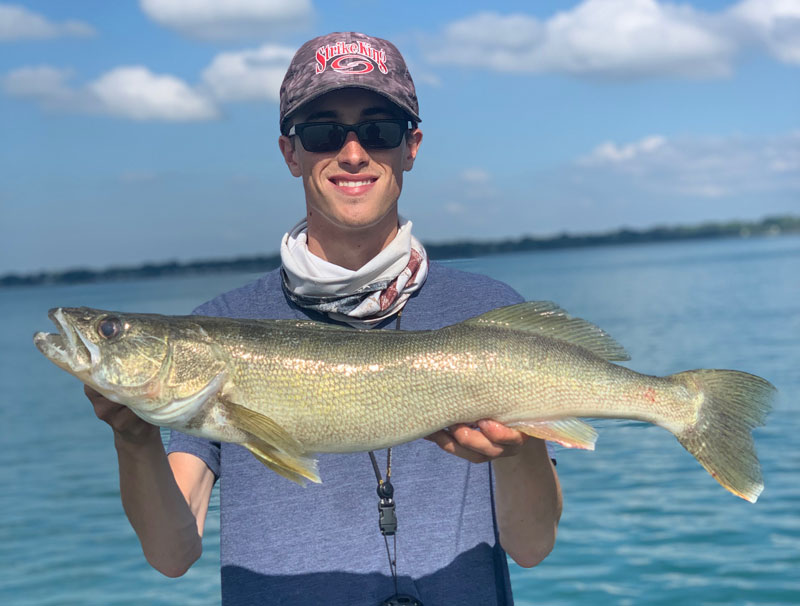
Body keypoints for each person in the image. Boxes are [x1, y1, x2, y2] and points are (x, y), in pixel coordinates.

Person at [85, 32, 561, 605]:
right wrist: (133, 438)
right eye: (323, 132)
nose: (354, 153)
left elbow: (532, 546)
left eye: (380, 130)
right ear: (291, 153)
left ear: (411, 147)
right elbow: (171, 554)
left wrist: (524, 444)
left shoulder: (491, 316)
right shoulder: (218, 327)